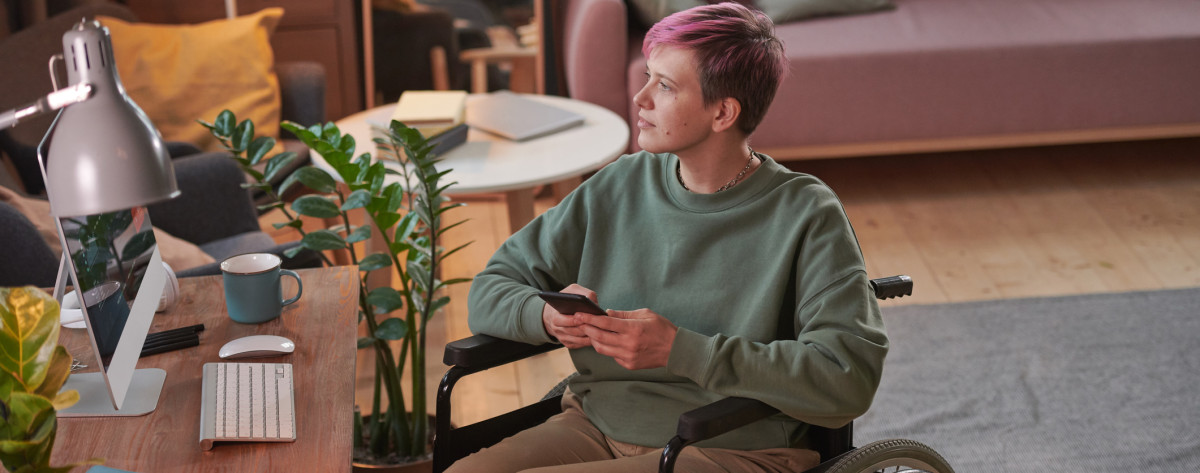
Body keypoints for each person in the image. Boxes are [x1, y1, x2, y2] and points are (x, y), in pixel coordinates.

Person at [454, 3, 888, 472]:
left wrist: (681, 351)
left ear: (723, 112)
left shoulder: (805, 213)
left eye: (664, 85)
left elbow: (848, 376)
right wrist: (545, 316)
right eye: (647, 77)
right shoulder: (618, 185)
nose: (639, 98)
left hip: (731, 446)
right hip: (595, 425)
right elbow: (490, 288)